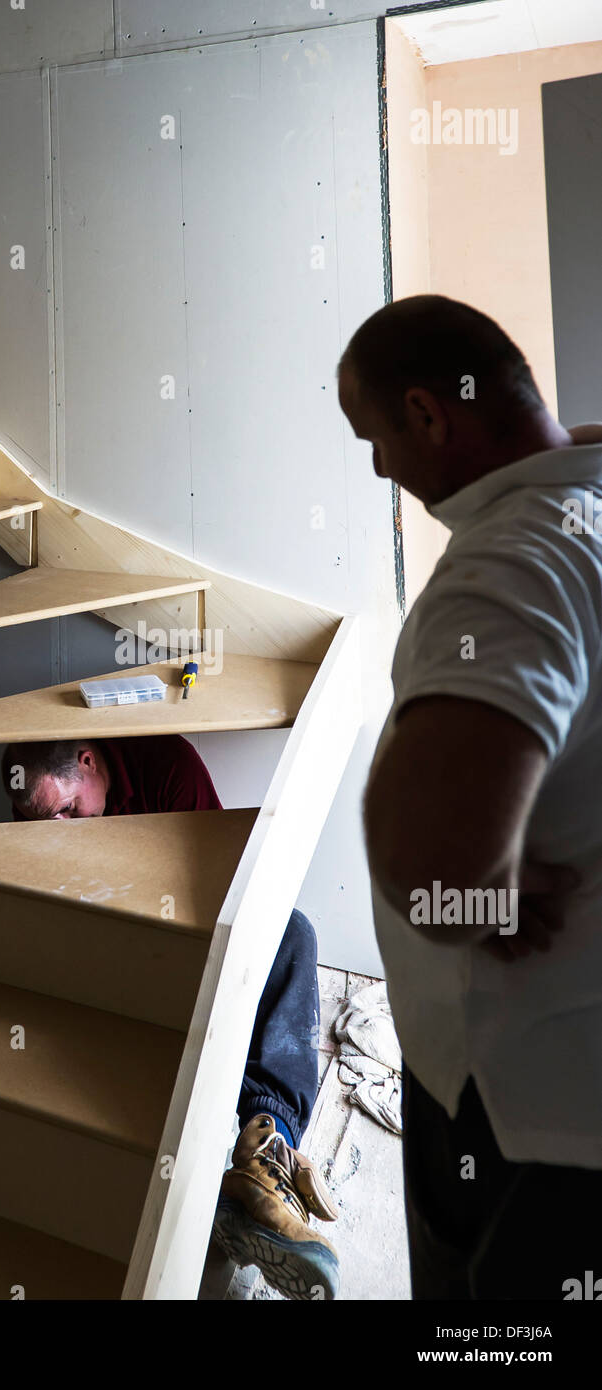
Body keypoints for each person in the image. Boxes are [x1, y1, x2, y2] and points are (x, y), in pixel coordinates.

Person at [338, 292, 602, 1300]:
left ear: (428, 414)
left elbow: (434, 859)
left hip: (527, 1102)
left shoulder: (512, 563)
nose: (378, 469)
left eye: (373, 438)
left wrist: (471, 896)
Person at [1, 733, 340, 1299]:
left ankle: (264, 1154)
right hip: (104, 947)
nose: (56, 827)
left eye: (68, 808)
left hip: (184, 929)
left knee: (293, 932)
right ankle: (231, 1202)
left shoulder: (167, 765)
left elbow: (225, 883)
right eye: (38, 816)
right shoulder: (32, 808)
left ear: (89, 762)